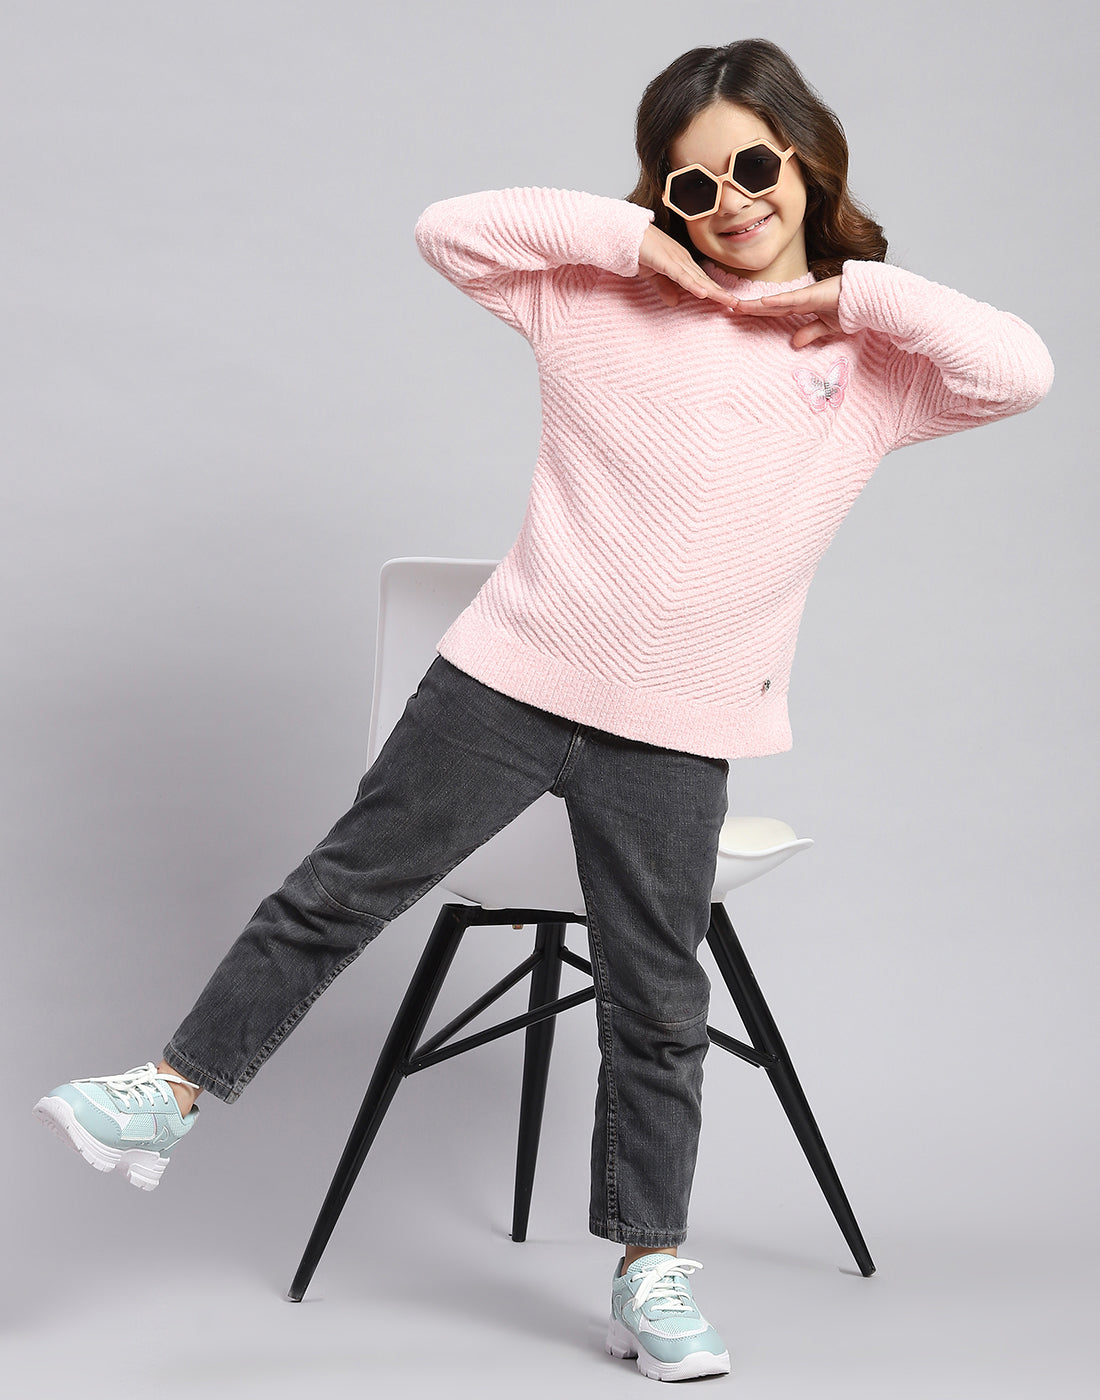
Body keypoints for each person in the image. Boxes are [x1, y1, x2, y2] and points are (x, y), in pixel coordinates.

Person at [32, 36, 1054, 1384]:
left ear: (807, 160)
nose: (732, 203)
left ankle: (649, 1269)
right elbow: (450, 229)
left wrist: (843, 289)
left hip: (680, 726)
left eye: (756, 167)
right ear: (662, 197)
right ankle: (167, 1097)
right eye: (694, 185)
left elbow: (1018, 369)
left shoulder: (864, 361)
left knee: (657, 1003)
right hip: (507, 681)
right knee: (337, 892)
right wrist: (646, 251)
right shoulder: (594, 296)